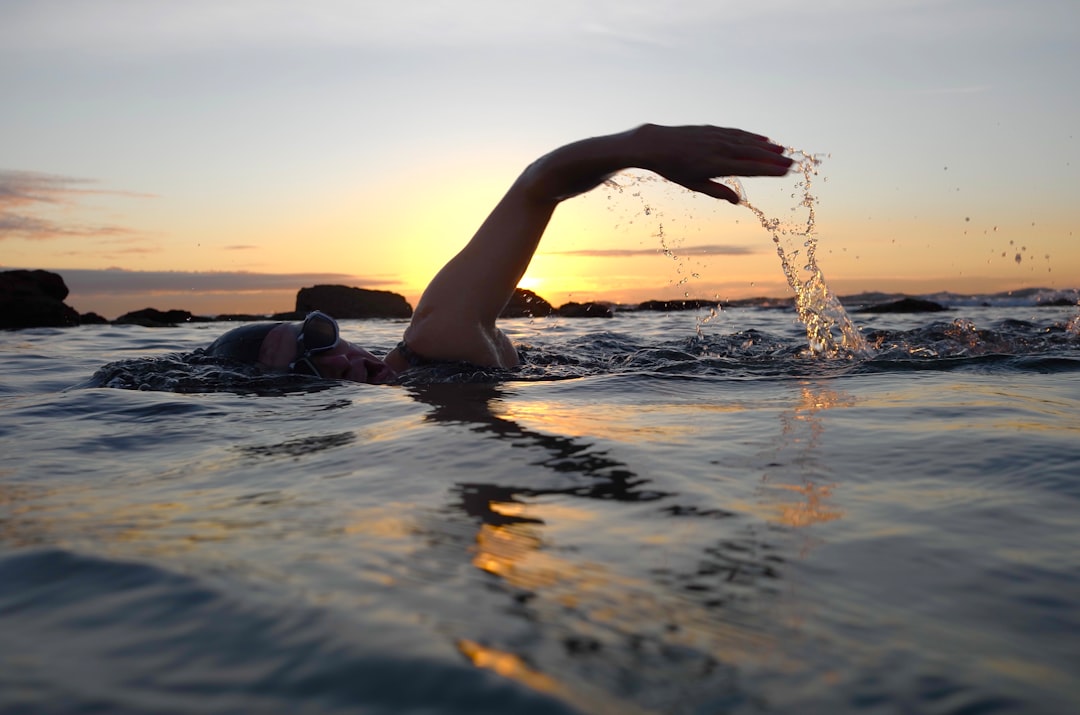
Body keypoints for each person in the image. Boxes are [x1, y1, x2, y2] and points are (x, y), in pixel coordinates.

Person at [205, 124, 794, 383]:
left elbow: (539, 184)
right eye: (307, 365)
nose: (335, 360)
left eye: (322, 333)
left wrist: (642, 145)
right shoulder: (429, 378)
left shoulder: (438, 337)